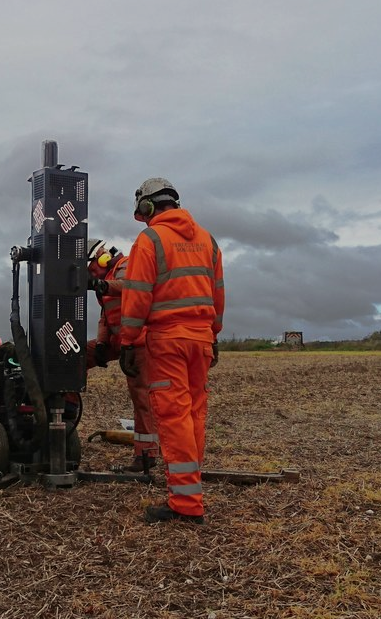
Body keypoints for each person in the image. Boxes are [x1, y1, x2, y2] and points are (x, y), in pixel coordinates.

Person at [118, 177, 224, 525]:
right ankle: (189, 488)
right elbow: (217, 295)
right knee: (194, 414)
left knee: (174, 416)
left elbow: (135, 297)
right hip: (201, 341)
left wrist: (129, 341)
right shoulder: (208, 241)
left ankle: (186, 504)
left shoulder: (150, 240)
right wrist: (213, 334)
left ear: (147, 207)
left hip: (168, 342)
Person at [85, 239, 160, 472]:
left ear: (102, 257)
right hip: (118, 340)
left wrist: (103, 285)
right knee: (73, 356)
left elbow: (130, 285)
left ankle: (146, 454)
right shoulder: (106, 280)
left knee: (142, 398)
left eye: (91, 269)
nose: (91, 274)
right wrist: (100, 343)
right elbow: (106, 316)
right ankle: (65, 411)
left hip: (138, 340)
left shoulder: (127, 266)